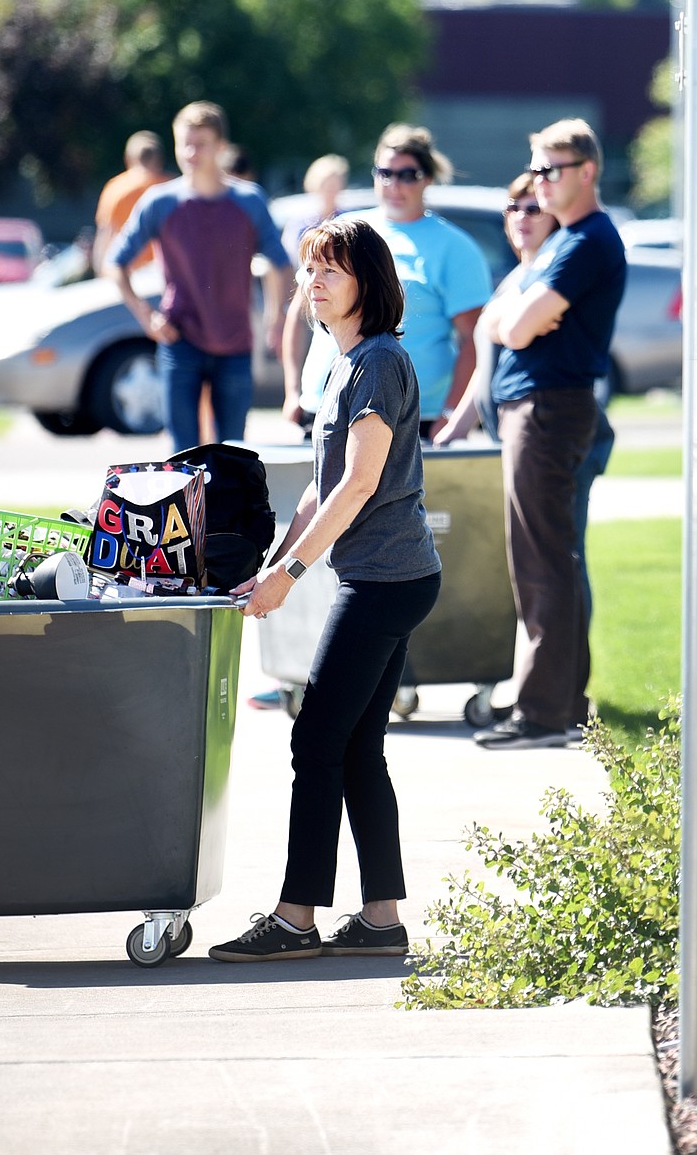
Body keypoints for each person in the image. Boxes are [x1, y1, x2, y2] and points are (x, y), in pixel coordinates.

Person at [209, 218, 442, 962]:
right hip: (388, 576)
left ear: (368, 284)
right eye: (311, 270)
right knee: (356, 747)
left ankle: (295, 920)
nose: (315, 283)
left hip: (385, 580)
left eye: (331, 271)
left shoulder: (375, 362)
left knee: (317, 739)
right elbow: (319, 490)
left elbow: (360, 482)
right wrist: (270, 564)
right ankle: (381, 920)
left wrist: (290, 575)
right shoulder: (345, 364)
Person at [465, 119, 626, 751]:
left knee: (542, 561)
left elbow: (520, 325)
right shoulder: (565, 242)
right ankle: (562, 704)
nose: (539, 183)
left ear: (586, 171)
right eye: (534, 170)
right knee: (544, 557)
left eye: (550, 171)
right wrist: (516, 312)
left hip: (550, 409)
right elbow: (510, 315)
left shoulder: (587, 240)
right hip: (532, 409)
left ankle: (544, 714)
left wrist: (515, 313)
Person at [282, 124, 490, 441]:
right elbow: (299, 313)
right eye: (385, 172)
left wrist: (451, 415)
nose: (394, 183)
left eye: (407, 174)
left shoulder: (455, 247)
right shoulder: (343, 229)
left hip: (411, 415)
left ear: (428, 177)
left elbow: (475, 341)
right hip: (325, 402)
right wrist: (293, 389)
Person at [106, 100, 292, 451]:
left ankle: (225, 510)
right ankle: (188, 511)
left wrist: (276, 319)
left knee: (232, 455)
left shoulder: (248, 200)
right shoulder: (159, 202)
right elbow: (116, 263)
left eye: (201, 144)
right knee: (182, 456)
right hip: (180, 339)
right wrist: (146, 316)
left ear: (221, 147)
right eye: (184, 144)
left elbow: (281, 264)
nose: (191, 152)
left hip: (235, 341)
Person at [93, 131, 169, 274]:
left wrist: (101, 273)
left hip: (129, 273)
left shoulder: (116, 189)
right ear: (159, 159)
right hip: (164, 271)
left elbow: (106, 234)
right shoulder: (171, 187)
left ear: (128, 159)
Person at [280, 153, 350, 265]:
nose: (331, 190)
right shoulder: (300, 223)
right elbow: (290, 258)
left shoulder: (348, 220)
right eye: (327, 185)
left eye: (335, 185)